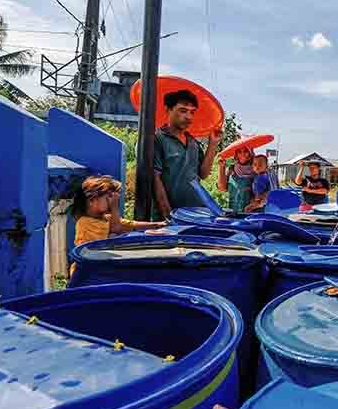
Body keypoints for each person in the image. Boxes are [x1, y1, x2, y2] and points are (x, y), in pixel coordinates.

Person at [71, 176, 163, 273]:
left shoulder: (106, 218)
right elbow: (116, 229)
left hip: (101, 266)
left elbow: (130, 225)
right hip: (87, 271)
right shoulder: (85, 222)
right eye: (108, 198)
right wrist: (114, 207)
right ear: (91, 200)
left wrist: (157, 225)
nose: (112, 201)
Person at [153, 89, 222, 220]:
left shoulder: (193, 142)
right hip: (170, 216)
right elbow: (155, 179)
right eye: (183, 110)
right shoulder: (157, 139)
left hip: (195, 213)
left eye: (192, 112)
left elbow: (203, 174)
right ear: (168, 110)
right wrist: (168, 217)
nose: (188, 117)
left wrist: (213, 144)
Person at [217, 146, 255, 213]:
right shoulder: (231, 169)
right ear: (236, 154)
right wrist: (221, 167)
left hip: (250, 213)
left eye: (246, 151)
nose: (242, 154)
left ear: (250, 153)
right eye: (239, 152)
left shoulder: (256, 170)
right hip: (233, 211)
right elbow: (222, 188)